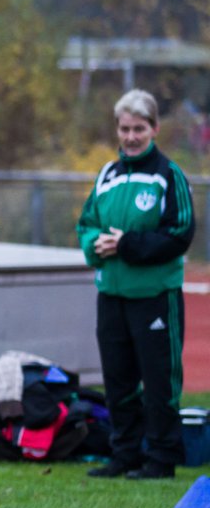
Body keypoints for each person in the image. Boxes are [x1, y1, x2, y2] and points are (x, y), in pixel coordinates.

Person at [77, 89, 196, 480]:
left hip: (155, 297)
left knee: (160, 380)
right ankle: (124, 454)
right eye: (125, 128)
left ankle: (162, 459)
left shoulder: (168, 176)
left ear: (154, 129)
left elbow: (179, 233)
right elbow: (87, 223)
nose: (130, 137)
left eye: (139, 129)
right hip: (111, 294)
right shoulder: (107, 175)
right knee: (118, 379)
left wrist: (126, 244)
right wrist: (95, 246)